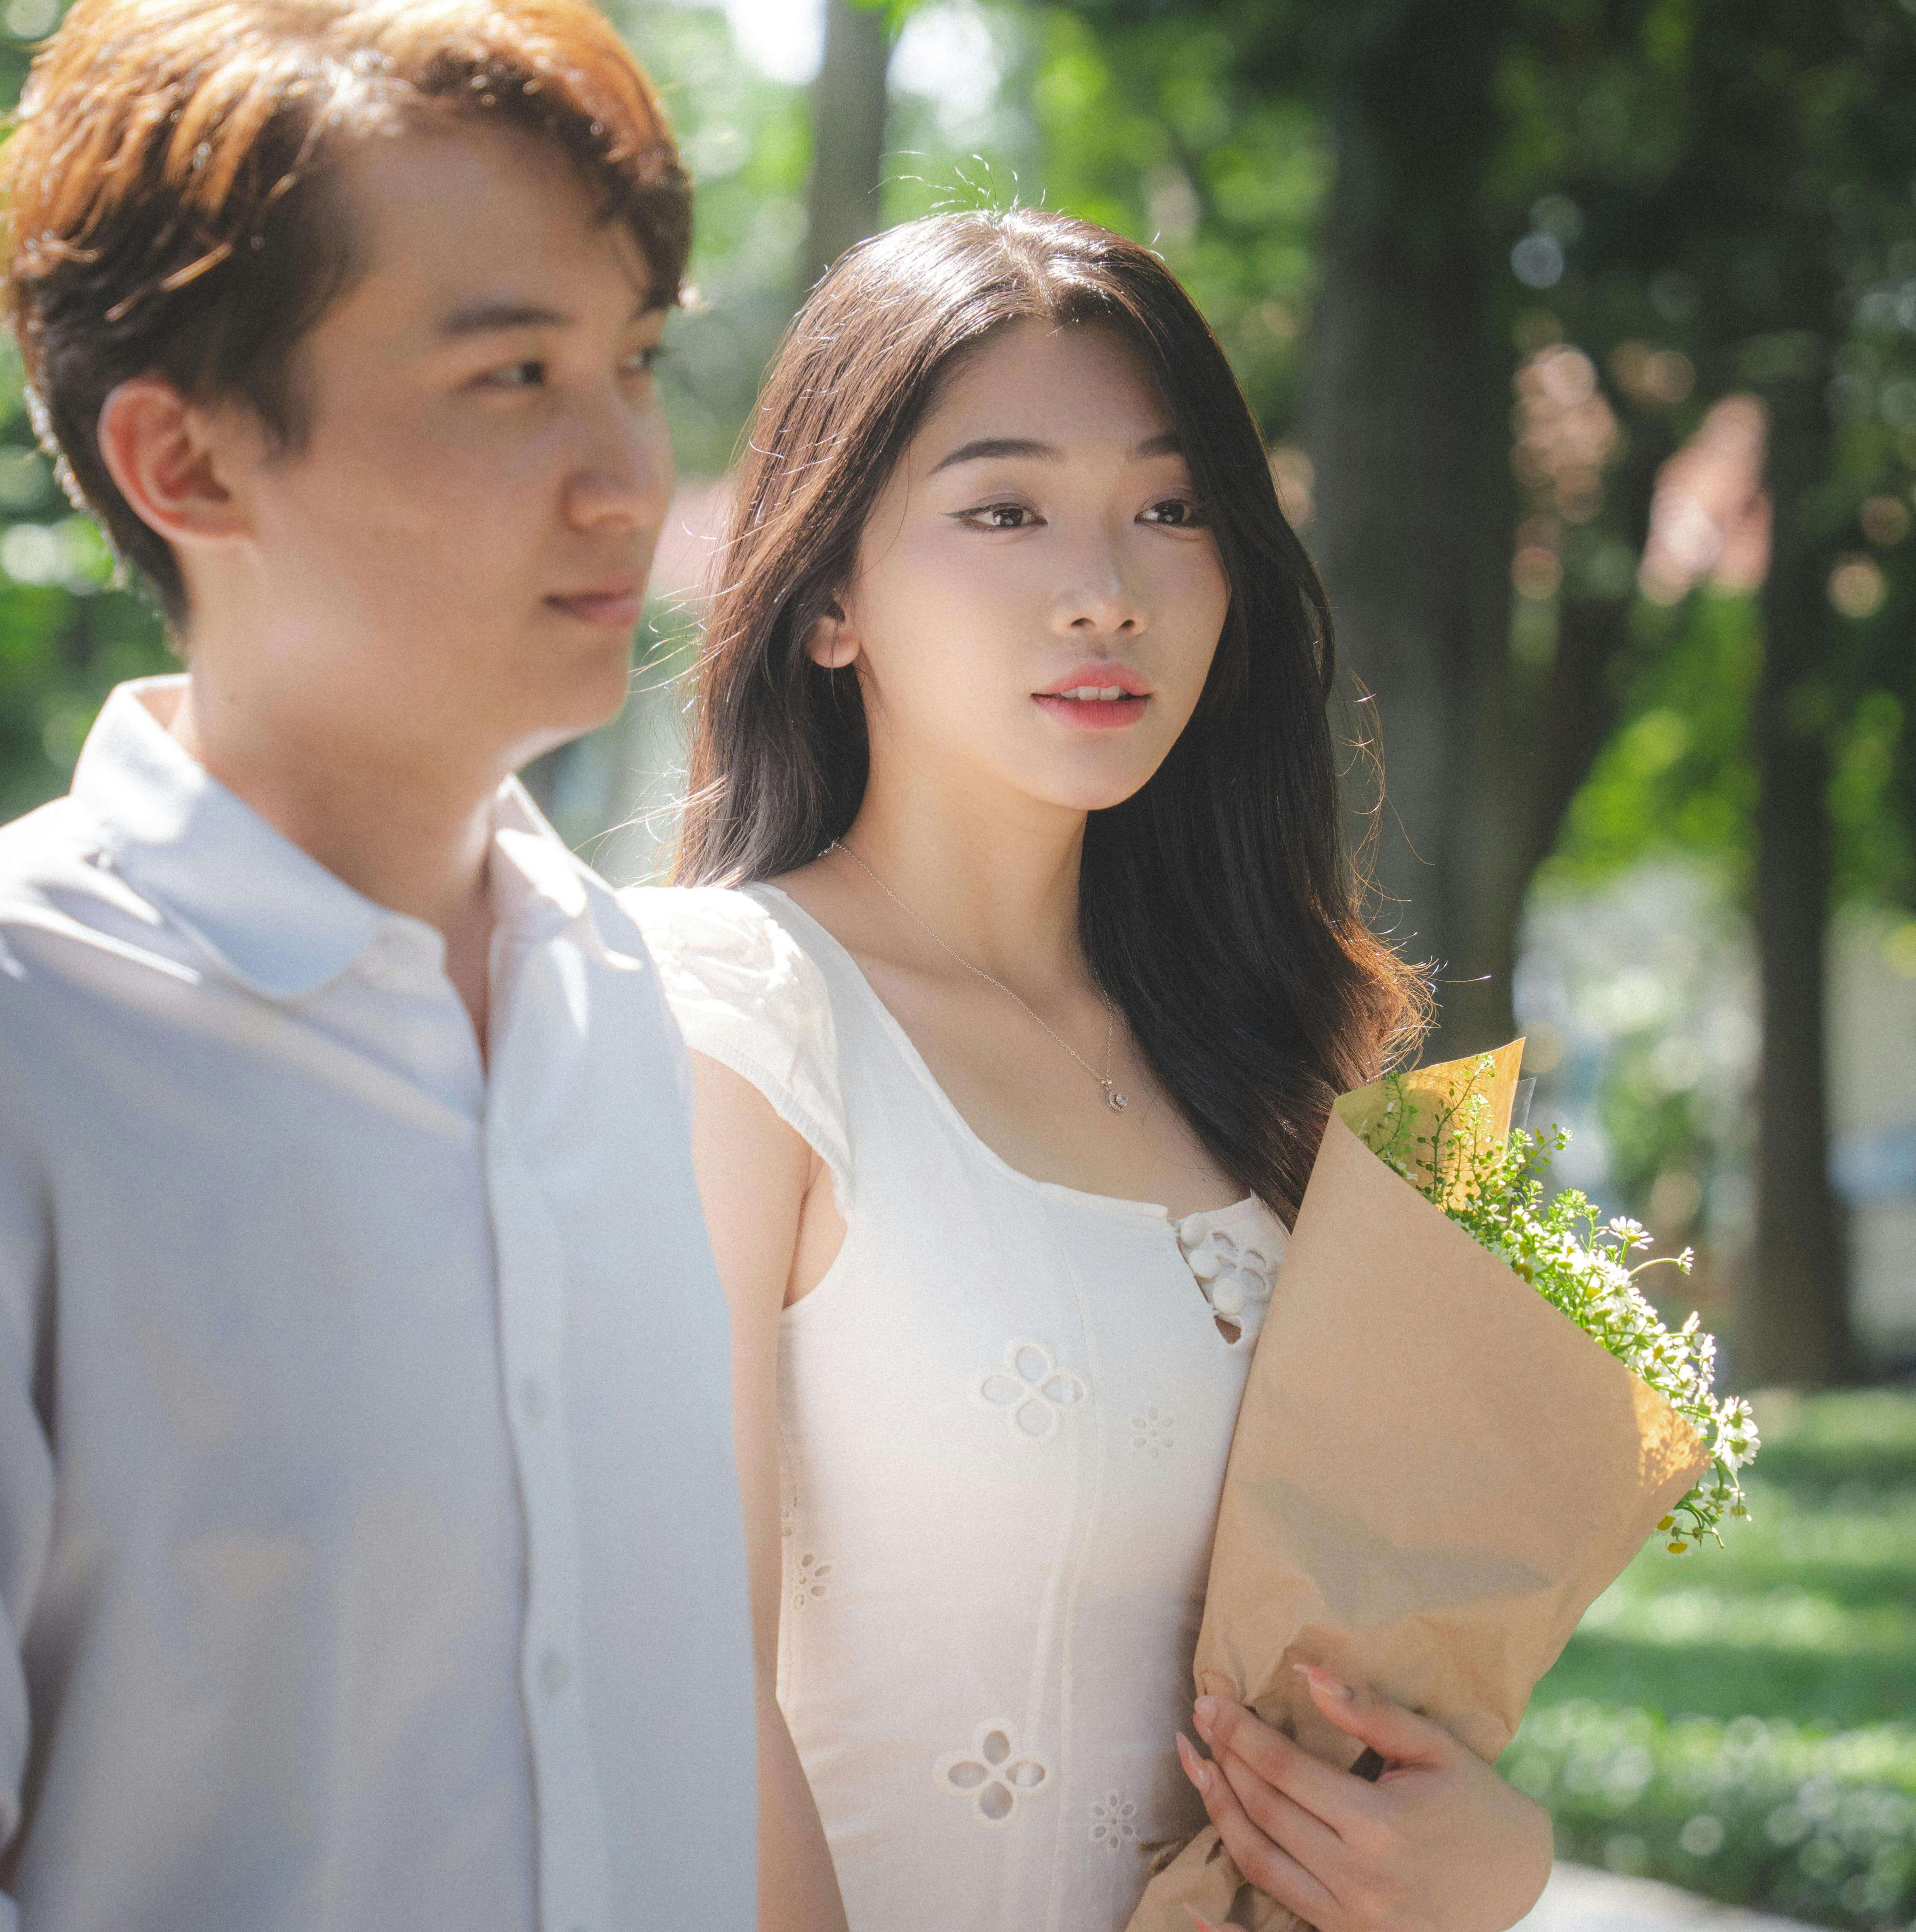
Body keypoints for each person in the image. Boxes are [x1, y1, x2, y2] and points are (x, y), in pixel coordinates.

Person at [0, 6, 780, 1928]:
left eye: (635, 363)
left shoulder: (627, 1005)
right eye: (511, 376)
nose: (626, 473)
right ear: (185, 459)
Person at [625, 209, 1557, 1932]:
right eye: (1004, 509)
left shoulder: (1280, 1064)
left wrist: (1491, 1854)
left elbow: (1366, 1683)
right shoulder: (723, 1017)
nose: (1104, 588)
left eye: (1171, 507)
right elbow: (670, 1687)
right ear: (826, 599)